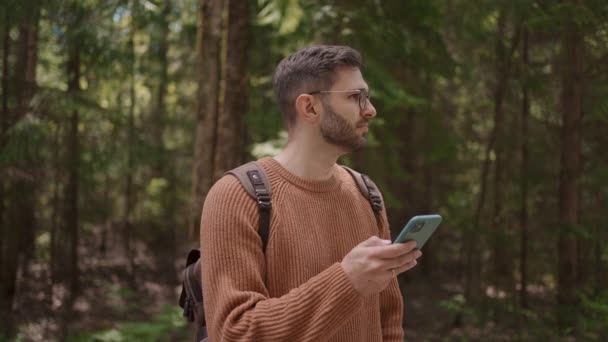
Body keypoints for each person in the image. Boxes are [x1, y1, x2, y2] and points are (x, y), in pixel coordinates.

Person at [200, 45, 422, 341]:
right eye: (356, 97)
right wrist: (347, 281)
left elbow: (388, 321)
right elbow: (235, 332)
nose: (370, 110)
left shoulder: (366, 193)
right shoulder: (236, 196)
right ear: (310, 107)